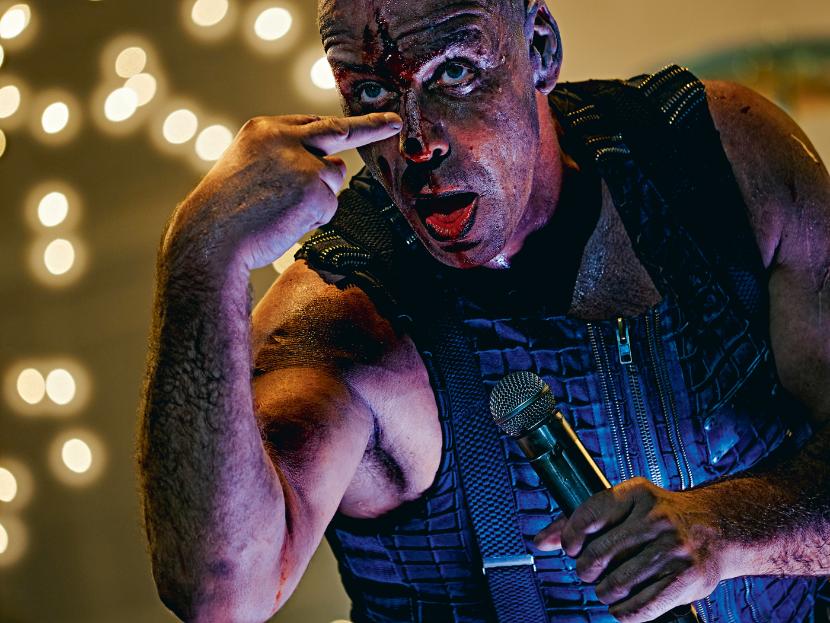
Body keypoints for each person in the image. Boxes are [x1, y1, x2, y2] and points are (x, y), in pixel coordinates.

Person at [137, 0, 830, 621]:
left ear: (541, 47)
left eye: (455, 73)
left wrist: (726, 529)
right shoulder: (348, 323)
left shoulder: (717, 163)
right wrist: (201, 257)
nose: (417, 144)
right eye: (373, 92)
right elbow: (222, 598)